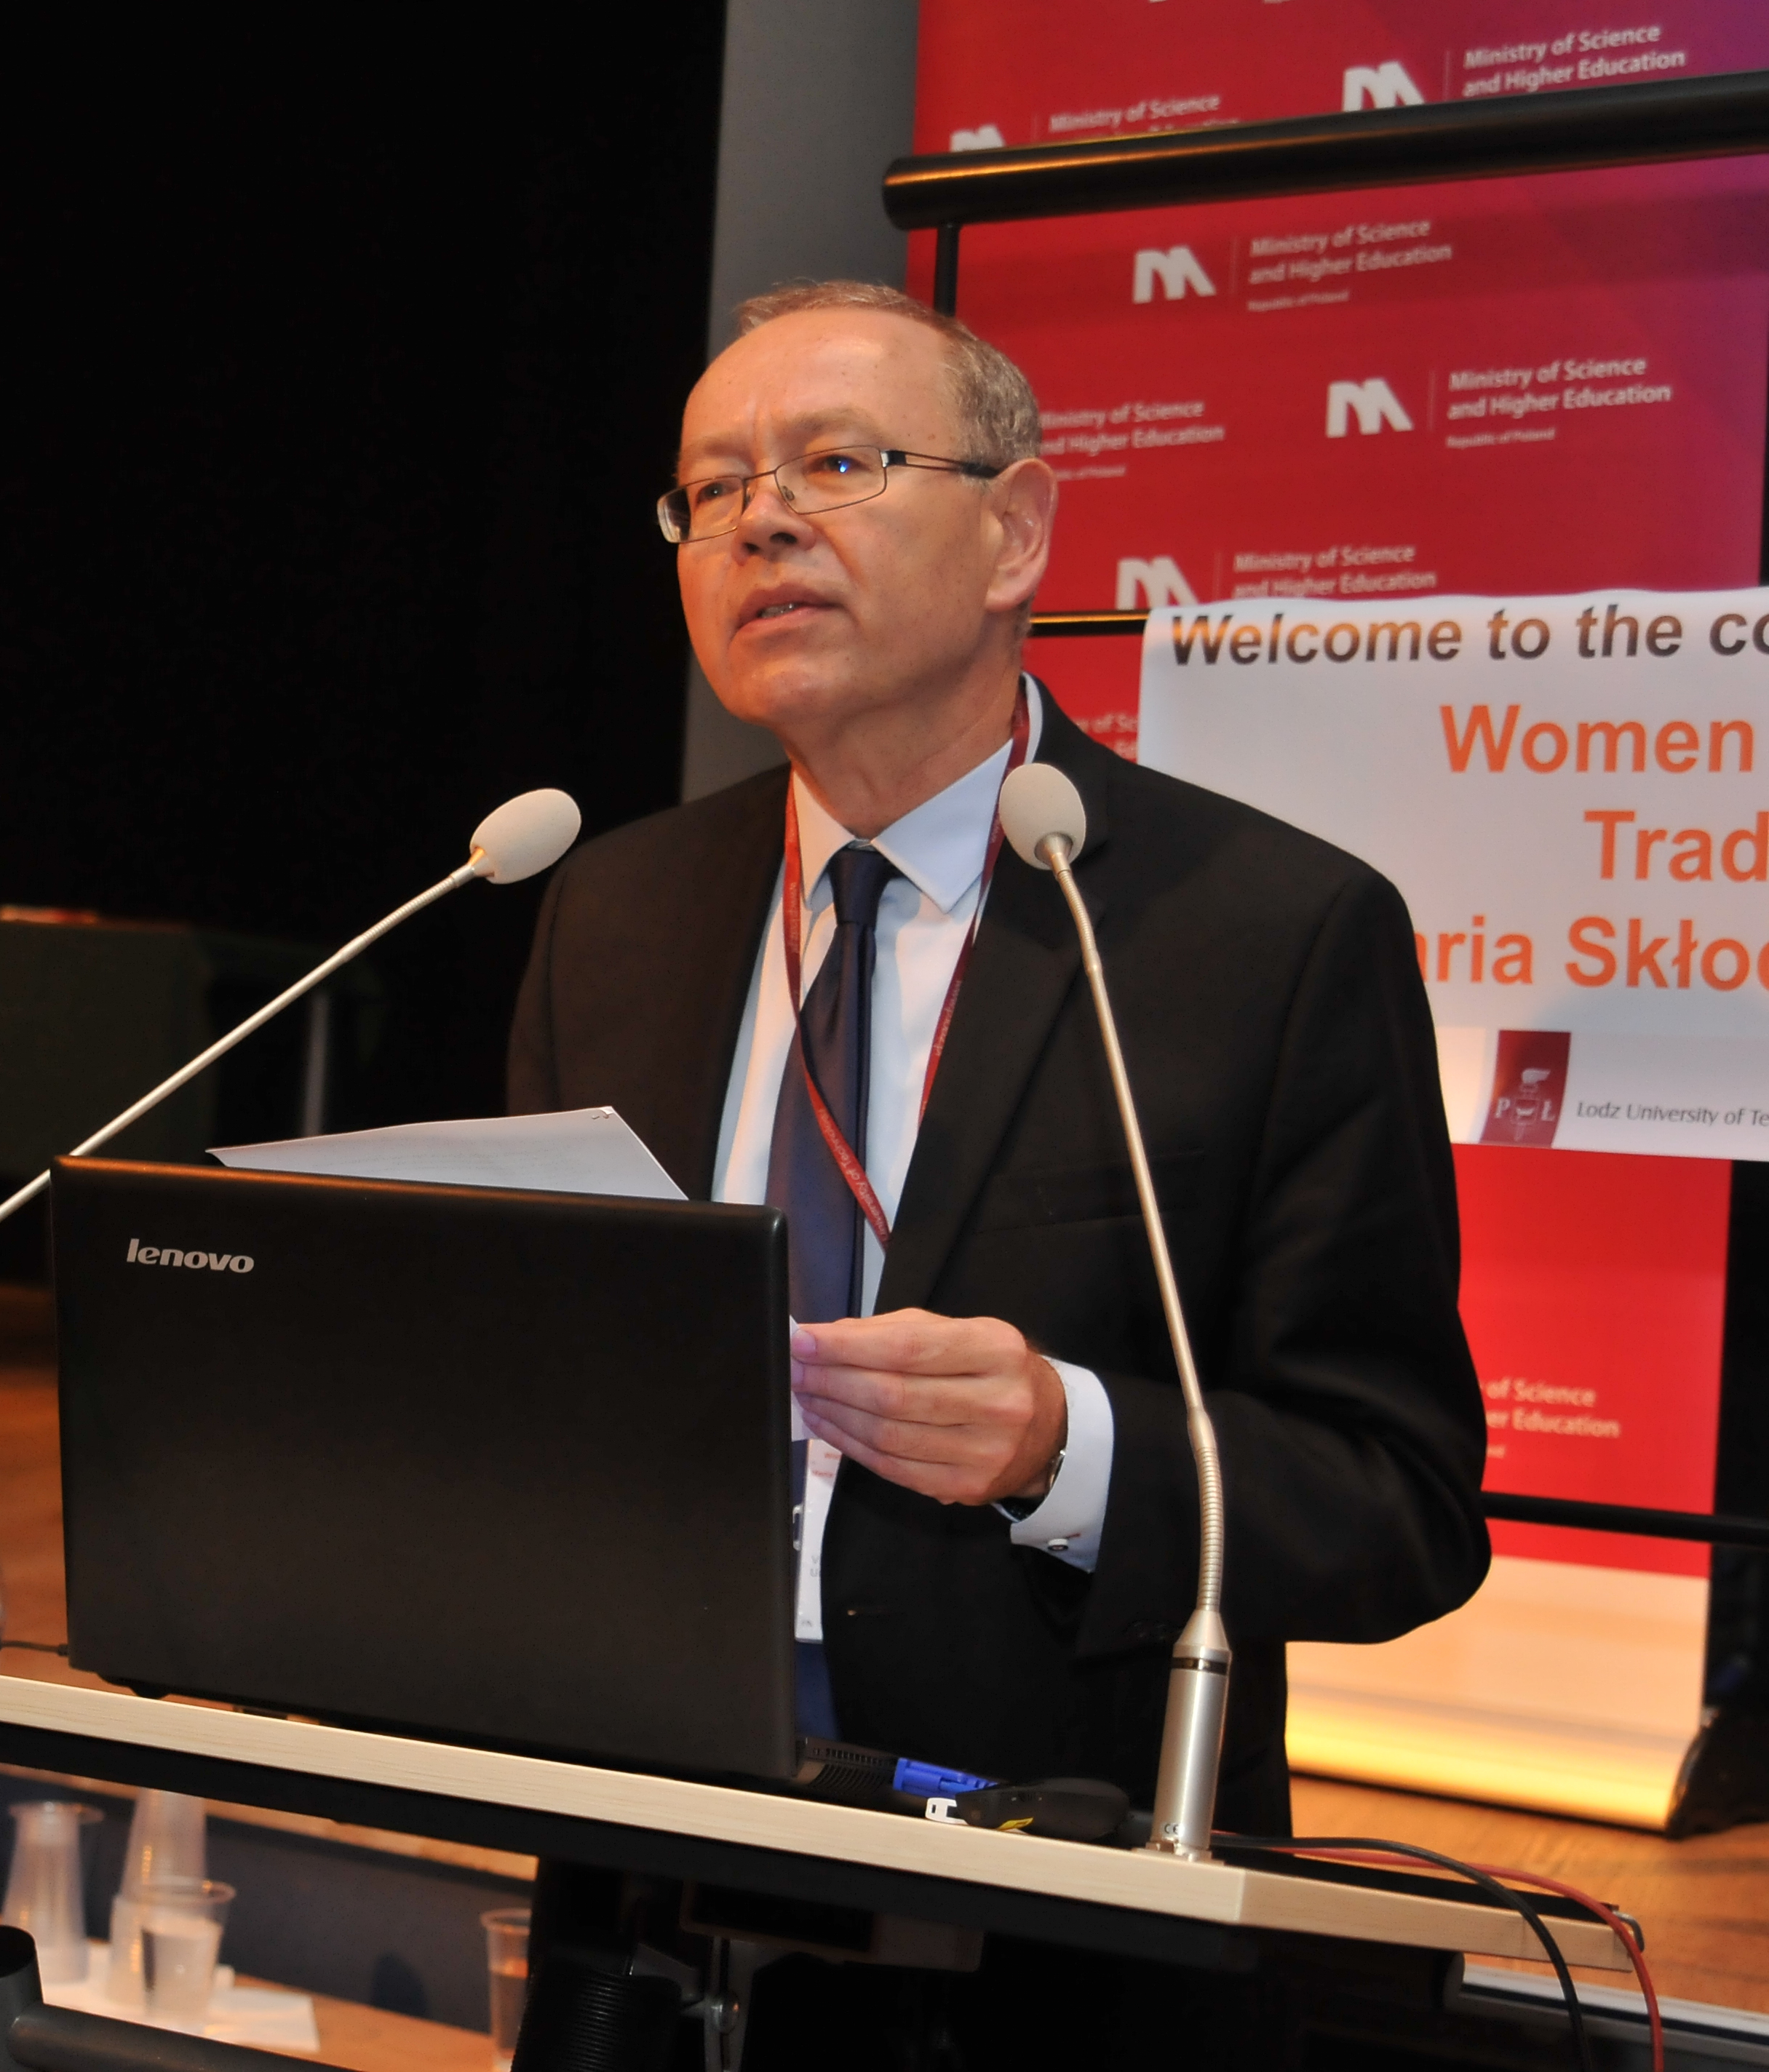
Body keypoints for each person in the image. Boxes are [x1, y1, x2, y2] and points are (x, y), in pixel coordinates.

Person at [506, 282, 1486, 2057]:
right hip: (637, 1898)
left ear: (1014, 530)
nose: (761, 520)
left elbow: (1395, 1497)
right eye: (708, 489)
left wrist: (1065, 1443)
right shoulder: (614, 912)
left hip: (1041, 1938)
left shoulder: (1262, 937)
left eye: (837, 463)